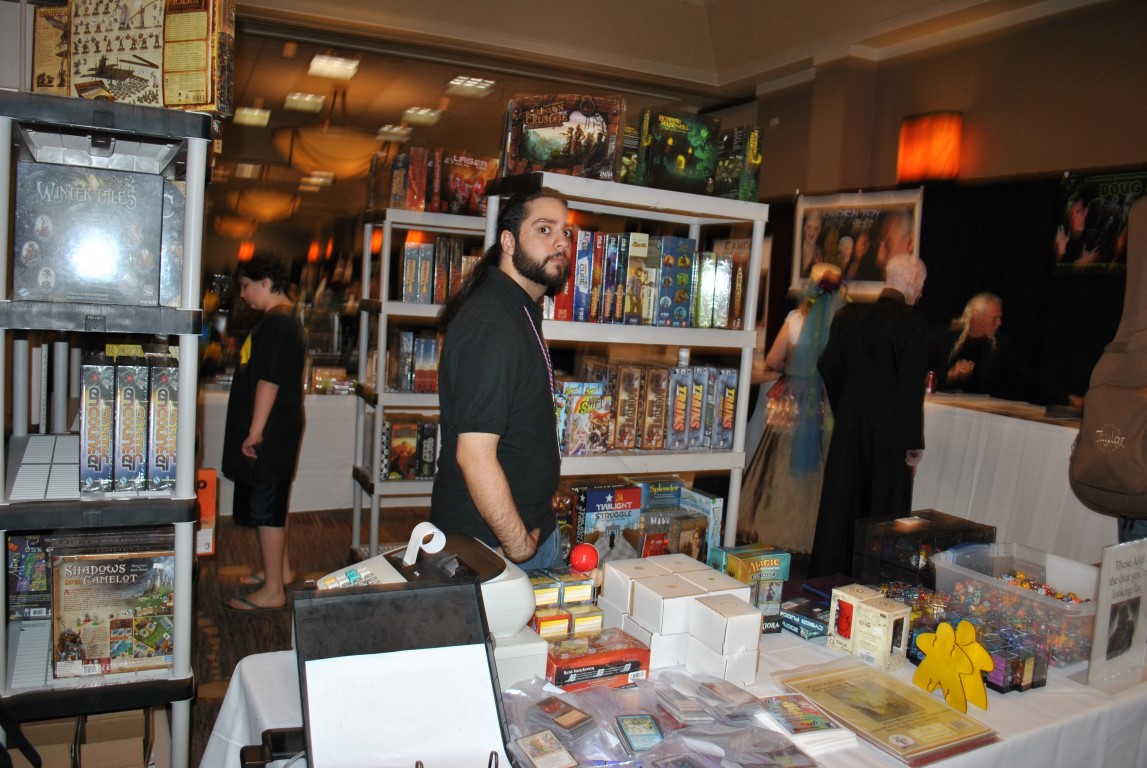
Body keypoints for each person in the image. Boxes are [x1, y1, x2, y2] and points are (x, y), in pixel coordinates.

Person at [430, 187, 572, 569]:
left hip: (519, 534)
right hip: (493, 549)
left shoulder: (514, 308)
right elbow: (474, 456)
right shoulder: (494, 323)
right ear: (508, 242)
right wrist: (518, 544)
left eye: (566, 233)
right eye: (544, 229)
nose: (561, 242)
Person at [808, 254, 929, 577]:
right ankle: (876, 583)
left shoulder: (848, 316)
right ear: (912, 282)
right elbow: (910, 390)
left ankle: (829, 579)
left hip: (849, 426)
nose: (921, 292)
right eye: (921, 285)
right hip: (891, 436)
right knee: (883, 514)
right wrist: (913, 445)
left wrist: (845, 408)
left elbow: (828, 365)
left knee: (841, 505)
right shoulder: (913, 325)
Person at [738, 263, 847, 552]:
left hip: (793, 401)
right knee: (823, 463)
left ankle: (768, 527)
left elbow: (773, 359)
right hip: (825, 403)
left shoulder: (795, 319)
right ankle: (816, 534)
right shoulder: (841, 321)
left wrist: (793, 367)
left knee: (779, 462)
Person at [222, 253, 306, 612]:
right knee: (273, 502)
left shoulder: (277, 325)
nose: (243, 294)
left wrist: (255, 431)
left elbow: (268, 382)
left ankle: (273, 590)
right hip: (277, 426)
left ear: (266, 283)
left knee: (267, 505)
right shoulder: (282, 321)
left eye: (246, 286)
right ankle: (280, 572)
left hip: (271, 430)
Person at [927, 292, 1084, 407]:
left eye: (1000, 318)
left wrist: (1067, 397)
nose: (999, 323)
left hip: (978, 412)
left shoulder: (1002, 345)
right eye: (994, 318)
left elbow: (1031, 372)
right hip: (939, 408)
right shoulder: (942, 336)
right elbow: (917, 371)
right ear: (977, 316)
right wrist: (950, 374)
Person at [799, 209, 824, 275]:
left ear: (819, 230)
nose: (811, 233)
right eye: (809, 227)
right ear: (804, 227)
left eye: (816, 229)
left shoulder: (819, 253)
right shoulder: (796, 247)